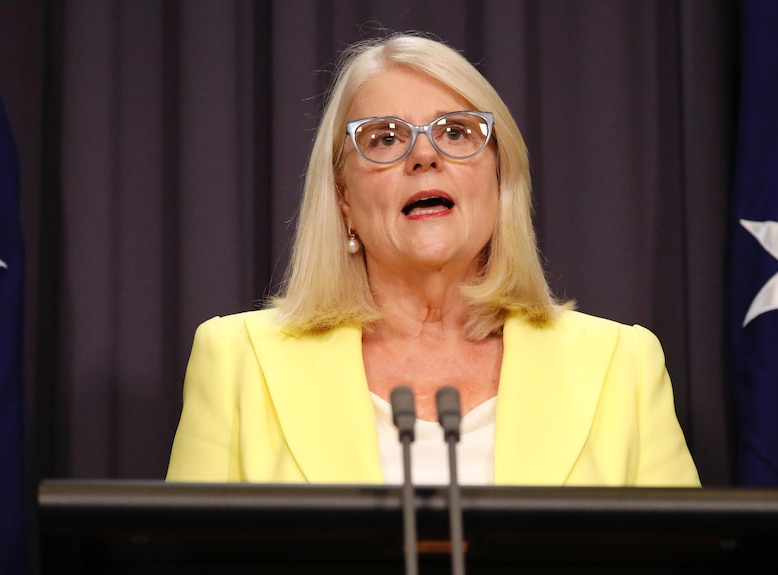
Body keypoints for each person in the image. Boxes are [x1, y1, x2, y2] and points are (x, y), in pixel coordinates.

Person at [166, 32, 700, 487]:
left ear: (498, 180)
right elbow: (182, 559)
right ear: (343, 198)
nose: (425, 156)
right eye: (384, 138)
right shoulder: (237, 361)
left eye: (455, 132)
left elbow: (685, 560)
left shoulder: (622, 365)